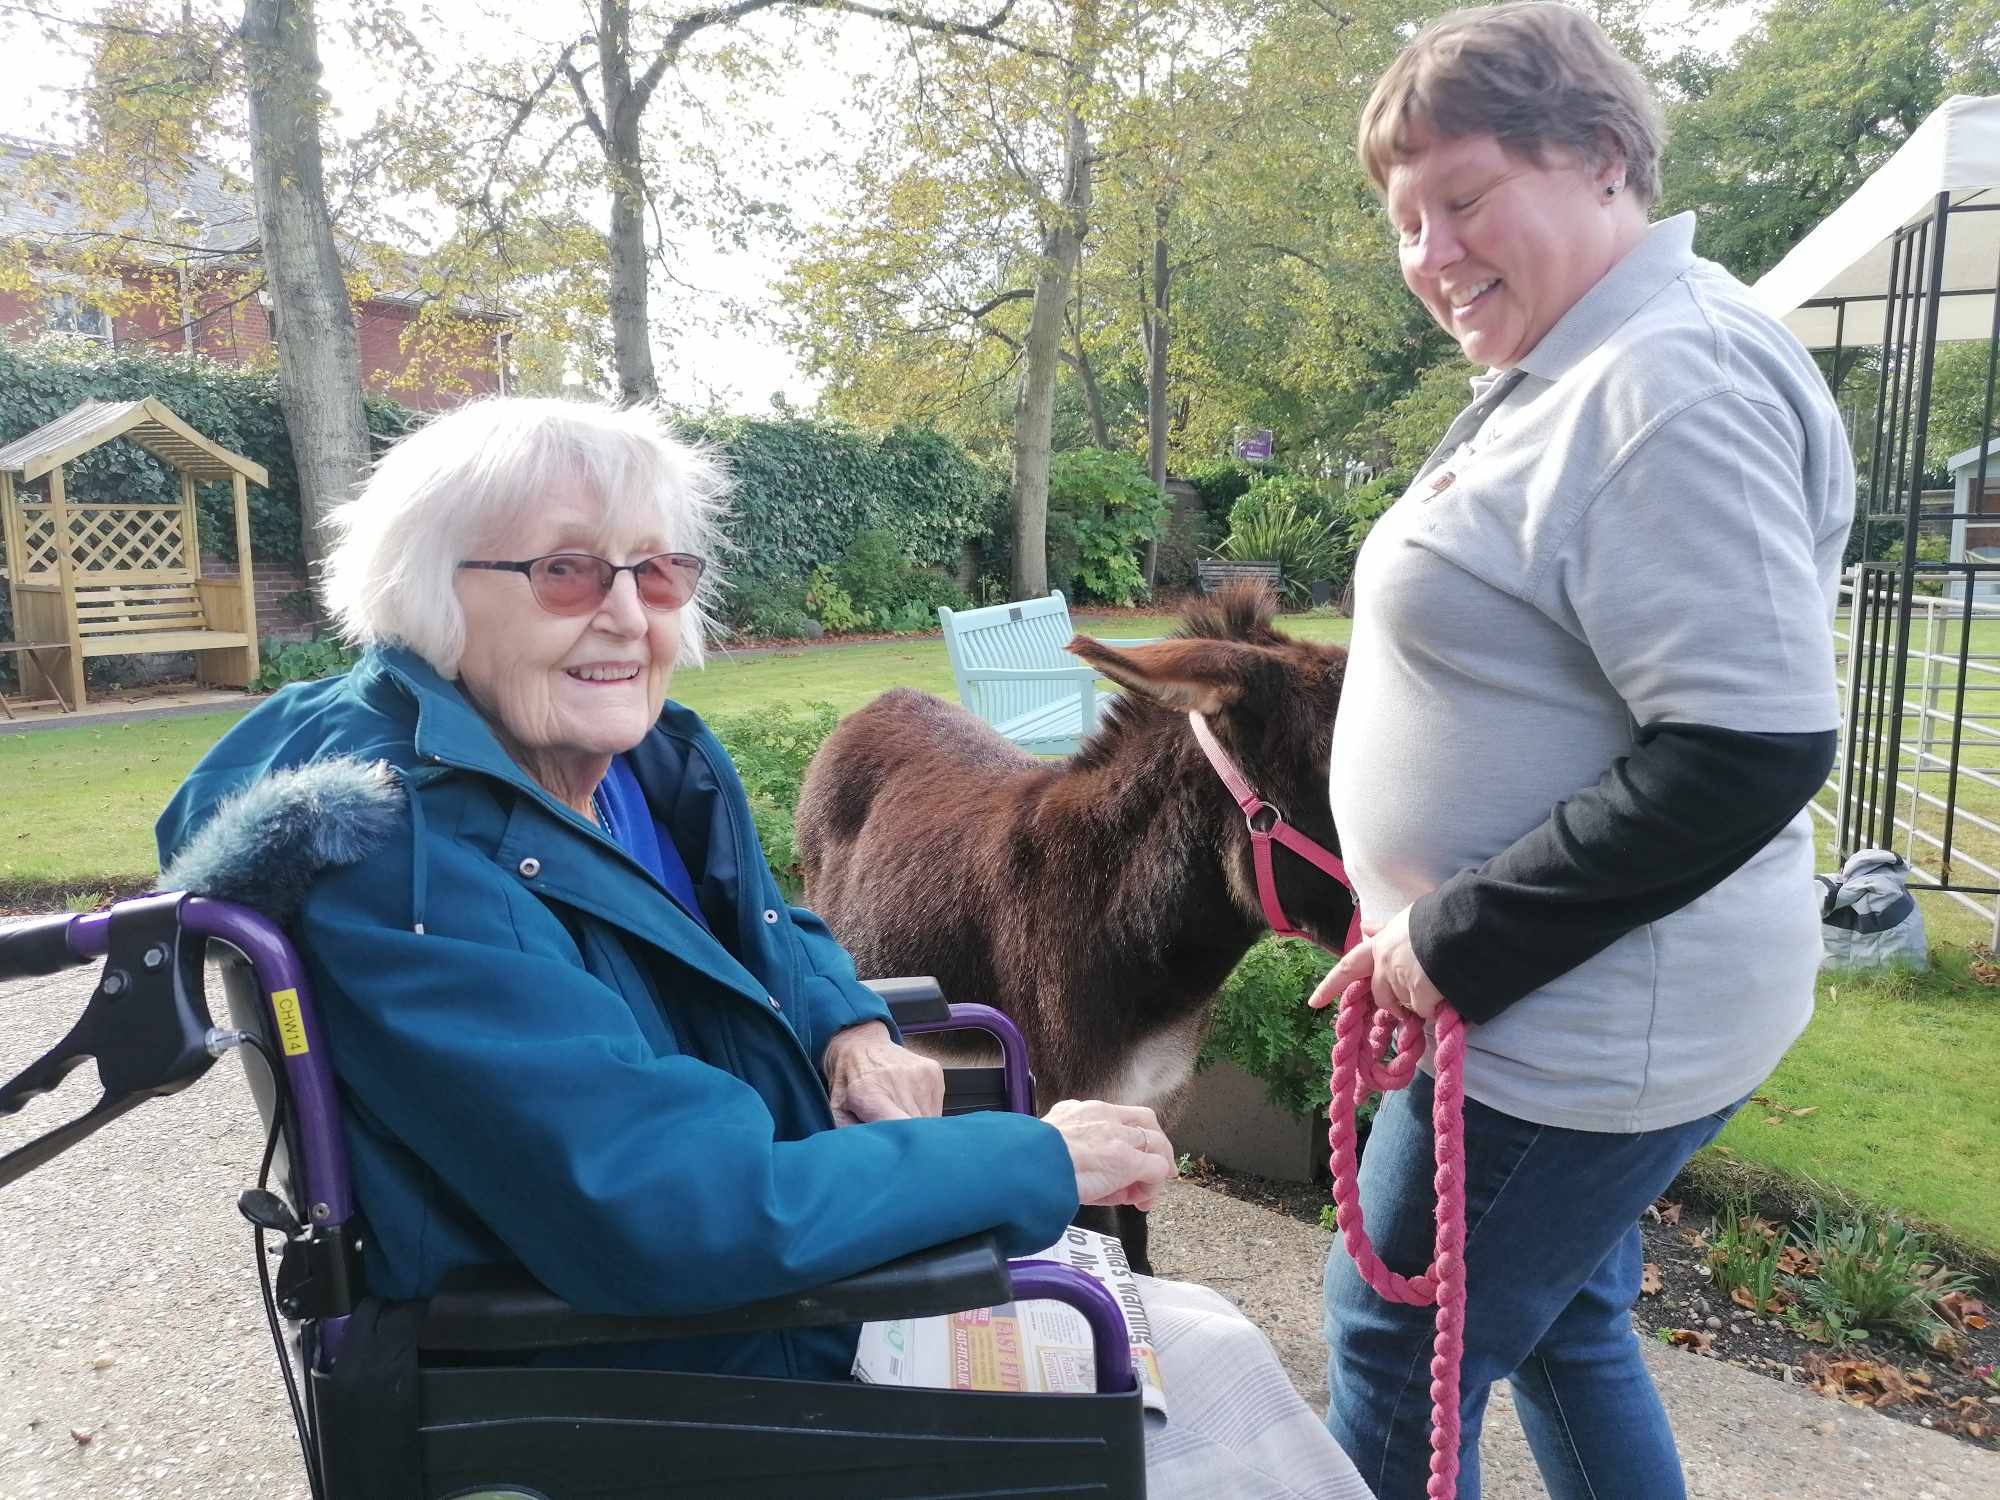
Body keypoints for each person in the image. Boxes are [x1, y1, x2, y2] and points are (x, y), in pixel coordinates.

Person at [156, 396, 1370, 1500]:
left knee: (1203, 1339)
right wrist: (1032, 1160)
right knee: (1200, 1376)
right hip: (693, 1370)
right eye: (566, 571)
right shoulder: (405, 871)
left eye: (658, 569)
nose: (628, 614)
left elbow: (770, 928)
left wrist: (840, 1016)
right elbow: (674, 1211)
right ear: (429, 588)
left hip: (766, 1287)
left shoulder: (637, 765)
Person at [1313, 6, 1853, 1497]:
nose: (1430, 253)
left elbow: (1749, 748)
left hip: (1570, 1033)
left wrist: (1454, 945)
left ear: (1603, 158)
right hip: (1598, 1009)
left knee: (1390, 1343)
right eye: (1405, 219)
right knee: (1563, 1328)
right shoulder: (1601, 352)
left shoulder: (1663, 388)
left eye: (1466, 197)